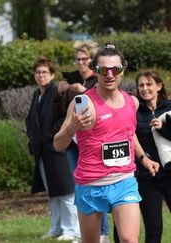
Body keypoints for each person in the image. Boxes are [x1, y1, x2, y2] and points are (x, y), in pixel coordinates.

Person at [53, 43, 160, 243]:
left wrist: (144, 158)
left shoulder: (132, 102)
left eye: (115, 69)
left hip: (124, 181)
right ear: (95, 71)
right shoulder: (82, 104)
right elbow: (58, 144)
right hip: (91, 184)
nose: (109, 75)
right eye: (103, 70)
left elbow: (128, 133)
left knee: (129, 239)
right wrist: (71, 128)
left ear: (122, 71)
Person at [54, 40, 110, 243]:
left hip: (95, 140)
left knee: (98, 185)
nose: (80, 63)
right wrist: (59, 93)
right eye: (77, 59)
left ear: (92, 60)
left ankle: (103, 232)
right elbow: (59, 111)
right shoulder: (71, 78)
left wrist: (84, 92)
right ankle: (87, 232)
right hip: (73, 142)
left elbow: (105, 104)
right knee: (80, 185)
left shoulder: (100, 78)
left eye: (84, 59)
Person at [26, 56, 80, 242]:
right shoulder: (36, 95)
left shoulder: (56, 92)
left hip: (58, 148)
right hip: (42, 151)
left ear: (52, 75)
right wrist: (33, 138)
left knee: (66, 191)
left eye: (44, 72)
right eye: (38, 72)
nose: (41, 75)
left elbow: (63, 116)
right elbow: (31, 120)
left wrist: (52, 136)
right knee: (52, 193)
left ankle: (72, 230)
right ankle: (56, 227)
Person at [134, 70, 171, 243]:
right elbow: (131, 142)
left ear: (159, 85)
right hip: (147, 178)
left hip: (170, 173)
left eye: (149, 84)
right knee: (154, 229)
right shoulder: (135, 112)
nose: (145, 88)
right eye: (141, 85)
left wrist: (162, 128)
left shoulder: (170, 108)